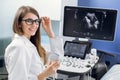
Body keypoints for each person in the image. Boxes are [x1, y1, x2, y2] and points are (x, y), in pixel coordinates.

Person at [4, 6, 61, 80]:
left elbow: (57, 57)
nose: (34, 25)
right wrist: (43, 75)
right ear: (19, 24)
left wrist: (50, 32)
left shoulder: (32, 44)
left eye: (36, 21)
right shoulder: (19, 47)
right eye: (29, 21)